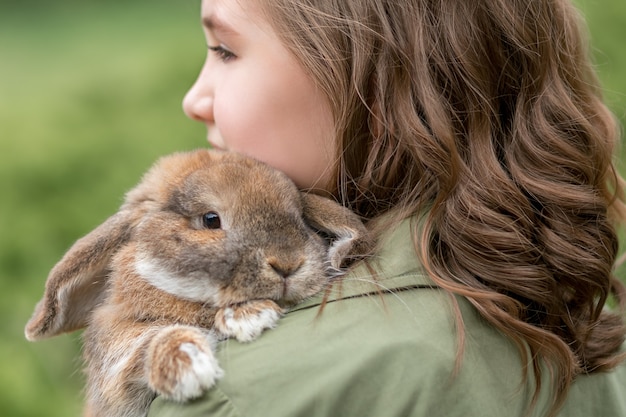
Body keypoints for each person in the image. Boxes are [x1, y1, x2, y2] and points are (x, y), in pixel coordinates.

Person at [149, 0, 626, 416]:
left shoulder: (241, 389)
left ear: (377, 91)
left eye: (226, 51)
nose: (195, 99)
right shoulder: (574, 311)